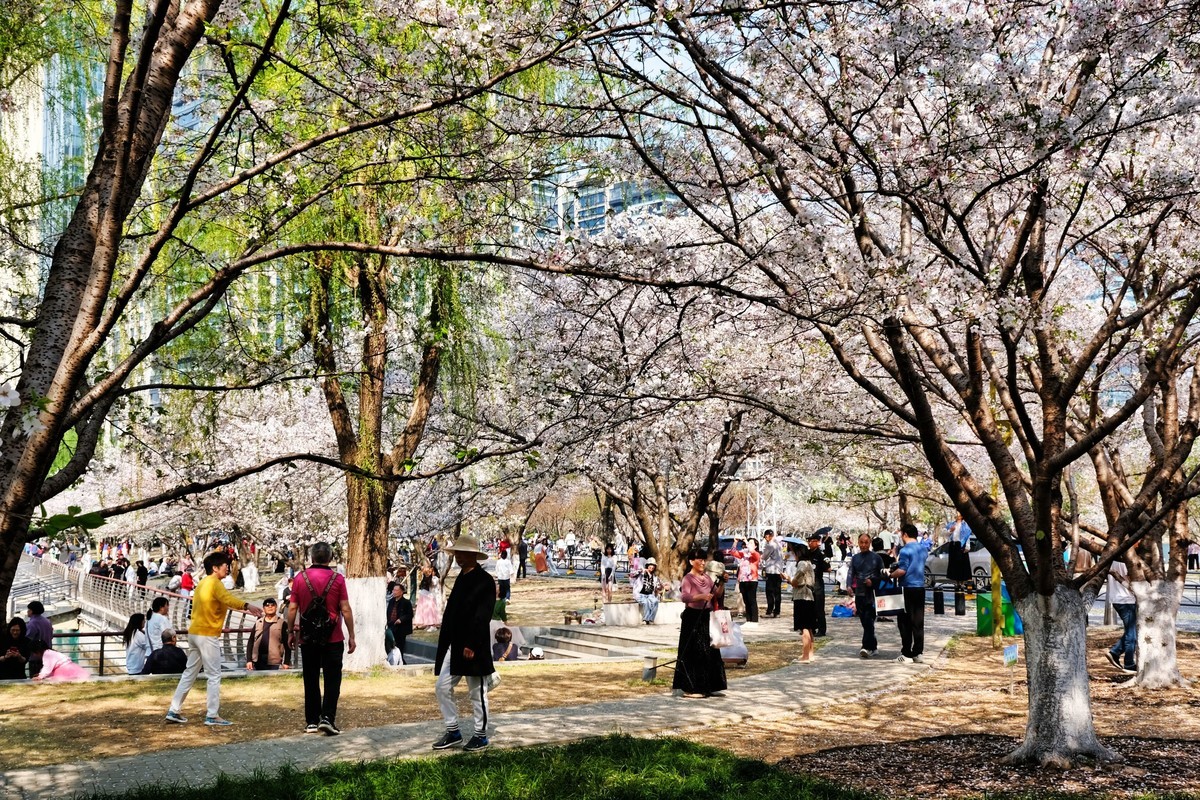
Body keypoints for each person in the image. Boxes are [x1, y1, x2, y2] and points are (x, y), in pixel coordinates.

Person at [165, 550, 263, 727]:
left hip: (194, 632)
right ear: (215, 568)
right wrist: (247, 605)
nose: (228, 568)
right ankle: (212, 715)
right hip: (206, 634)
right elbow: (228, 598)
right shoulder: (215, 583)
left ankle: (174, 709)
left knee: (190, 673)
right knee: (214, 675)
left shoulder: (202, 583)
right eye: (225, 565)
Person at [431, 534, 497, 753]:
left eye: (461, 553)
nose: (458, 557)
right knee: (442, 686)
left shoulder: (485, 581)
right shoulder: (461, 577)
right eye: (456, 552)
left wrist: (472, 643)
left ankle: (480, 734)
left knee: (476, 692)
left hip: (473, 645)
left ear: (472, 555)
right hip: (454, 642)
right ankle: (453, 730)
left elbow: (482, 616)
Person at [288, 542, 355, 736]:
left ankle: (311, 721)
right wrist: (351, 635)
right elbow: (345, 609)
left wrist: (291, 631)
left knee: (310, 678)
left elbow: (292, 608)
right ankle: (327, 718)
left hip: (308, 638)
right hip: (333, 637)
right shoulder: (338, 579)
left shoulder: (300, 578)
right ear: (330, 558)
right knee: (333, 679)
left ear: (311, 558)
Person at [672, 548, 727, 698]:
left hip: (706, 616)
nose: (703, 562)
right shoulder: (688, 578)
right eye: (700, 560)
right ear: (691, 562)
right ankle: (692, 688)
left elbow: (716, 594)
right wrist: (701, 596)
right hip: (692, 617)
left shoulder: (707, 578)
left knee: (709, 651)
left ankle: (710, 685)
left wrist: (722, 582)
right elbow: (685, 597)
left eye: (704, 560)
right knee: (694, 652)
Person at [889, 524, 926, 664]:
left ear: (904, 535)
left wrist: (890, 575)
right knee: (918, 622)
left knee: (904, 622)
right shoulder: (923, 549)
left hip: (906, 588)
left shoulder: (905, 551)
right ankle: (918, 653)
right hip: (920, 588)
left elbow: (902, 570)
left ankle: (906, 653)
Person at [850, 533, 884, 658]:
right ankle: (873, 646)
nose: (863, 545)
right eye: (861, 542)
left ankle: (865, 647)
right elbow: (851, 573)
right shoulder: (855, 558)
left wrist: (873, 581)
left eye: (866, 542)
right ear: (858, 543)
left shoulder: (876, 558)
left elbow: (882, 575)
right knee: (864, 621)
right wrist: (849, 586)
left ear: (870, 543)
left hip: (872, 594)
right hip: (859, 593)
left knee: (869, 620)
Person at [1105, 560, 1137, 675]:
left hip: (1117, 598)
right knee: (1132, 633)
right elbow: (1131, 576)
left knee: (1132, 631)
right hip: (1126, 599)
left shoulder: (1112, 558)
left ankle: (1115, 652)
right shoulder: (1127, 558)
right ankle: (1128, 663)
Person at [246, 597, 291, 671]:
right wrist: (249, 660)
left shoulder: (282, 623)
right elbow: (250, 642)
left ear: (276, 607)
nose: (270, 607)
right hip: (257, 660)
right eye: (267, 605)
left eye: (272, 605)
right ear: (263, 608)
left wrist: (286, 662)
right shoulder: (258, 622)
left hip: (274, 661)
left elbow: (287, 644)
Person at [804, 533, 832, 636]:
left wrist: (821, 567)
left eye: (812, 541)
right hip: (807, 583)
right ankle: (812, 627)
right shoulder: (807, 553)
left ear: (817, 542)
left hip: (817, 582)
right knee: (809, 607)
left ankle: (821, 629)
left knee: (819, 607)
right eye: (809, 541)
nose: (810, 543)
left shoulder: (821, 554)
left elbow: (828, 568)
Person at [789, 557, 816, 663]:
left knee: (804, 627)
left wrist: (789, 579)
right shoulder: (809, 563)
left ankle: (805, 656)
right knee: (809, 627)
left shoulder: (802, 563)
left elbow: (795, 581)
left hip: (801, 596)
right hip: (809, 596)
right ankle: (810, 653)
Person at [732, 538, 761, 624]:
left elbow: (752, 552)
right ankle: (748, 620)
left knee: (752, 600)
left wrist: (746, 541)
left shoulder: (756, 554)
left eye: (751, 543)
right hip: (742, 580)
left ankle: (754, 620)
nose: (748, 544)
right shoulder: (743, 554)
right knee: (746, 601)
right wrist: (735, 542)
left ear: (755, 546)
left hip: (752, 580)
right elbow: (733, 552)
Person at [387, 583, 414, 665]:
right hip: (391, 626)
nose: (394, 592)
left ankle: (401, 662)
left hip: (401, 628)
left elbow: (410, 615)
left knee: (400, 645)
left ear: (401, 592)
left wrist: (401, 620)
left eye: (396, 590)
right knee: (392, 645)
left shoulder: (406, 602)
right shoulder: (391, 601)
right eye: (393, 590)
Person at [25, 601, 53, 678]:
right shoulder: (47, 621)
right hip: (48, 653)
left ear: (32, 611)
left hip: (36, 656)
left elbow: (28, 638)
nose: (27, 611)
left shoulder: (32, 623)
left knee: (35, 676)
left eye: (29, 609)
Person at [761, 530, 785, 619]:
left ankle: (770, 611)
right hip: (779, 571)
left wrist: (761, 555)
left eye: (765, 537)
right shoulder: (778, 544)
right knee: (777, 592)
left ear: (768, 536)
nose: (765, 539)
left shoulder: (770, 544)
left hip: (771, 571)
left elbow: (764, 556)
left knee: (769, 592)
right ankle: (777, 611)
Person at [635, 557, 664, 624]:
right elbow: (633, 574)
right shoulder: (642, 573)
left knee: (655, 601)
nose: (652, 567)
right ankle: (645, 619)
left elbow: (658, 586)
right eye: (650, 565)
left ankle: (651, 619)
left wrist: (662, 587)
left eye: (653, 565)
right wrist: (641, 570)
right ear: (647, 565)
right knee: (646, 602)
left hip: (650, 595)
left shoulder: (655, 577)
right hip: (640, 595)